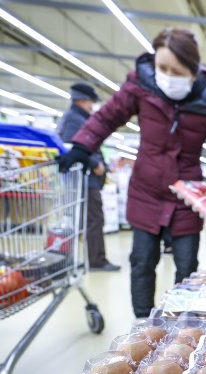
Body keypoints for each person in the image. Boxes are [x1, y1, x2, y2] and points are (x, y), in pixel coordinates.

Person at [58, 28, 206, 318]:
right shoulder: (141, 85)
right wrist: (82, 146)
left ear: (192, 72)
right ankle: (142, 325)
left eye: (176, 71)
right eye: (162, 67)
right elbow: (107, 117)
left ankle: (183, 326)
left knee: (187, 266)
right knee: (141, 261)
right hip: (146, 192)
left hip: (187, 198)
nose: (167, 76)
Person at [56, 83, 120, 272]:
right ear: (83, 101)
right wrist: (94, 163)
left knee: (91, 219)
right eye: (91, 102)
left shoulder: (77, 118)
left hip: (85, 178)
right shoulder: (74, 119)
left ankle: (93, 258)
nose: (92, 106)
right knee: (94, 219)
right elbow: (72, 147)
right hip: (85, 177)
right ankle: (97, 260)